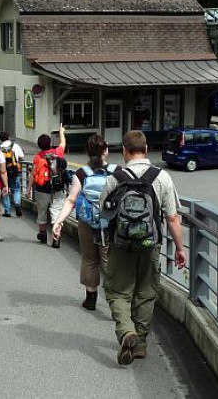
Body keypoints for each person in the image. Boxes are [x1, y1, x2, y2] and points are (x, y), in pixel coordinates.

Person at [99, 130, 186, 365]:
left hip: (121, 245)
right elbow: (172, 217)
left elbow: (104, 212)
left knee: (117, 292)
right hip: (150, 245)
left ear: (124, 151)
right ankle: (139, 345)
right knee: (146, 293)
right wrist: (180, 248)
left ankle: (126, 331)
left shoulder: (114, 178)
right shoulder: (162, 177)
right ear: (146, 150)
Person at [52, 134, 118, 311]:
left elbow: (71, 200)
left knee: (89, 259)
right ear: (105, 151)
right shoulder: (117, 171)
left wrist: (58, 222)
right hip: (110, 223)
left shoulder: (81, 173)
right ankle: (117, 303)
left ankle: (90, 299)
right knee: (110, 260)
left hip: (87, 222)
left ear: (87, 153)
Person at [26, 124, 66, 248]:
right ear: (50, 143)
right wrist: (61, 132)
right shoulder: (58, 152)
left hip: (42, 189)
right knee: (56, 212)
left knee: (42, 211)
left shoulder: (37, 157)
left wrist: (28, 189)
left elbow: (33, 174)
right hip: (57, 187)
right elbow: (63, 143)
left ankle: (42, 234)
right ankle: (56, 238)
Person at [0, 131, 25, 217]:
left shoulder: (0, 148)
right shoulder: (15, 146)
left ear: (0, 139)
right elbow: (22, 158)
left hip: (4, 171)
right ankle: (17, 203)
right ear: (8, 137)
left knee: (5, 189)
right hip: (14, 171)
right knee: (16, 189)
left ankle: (7, 211)